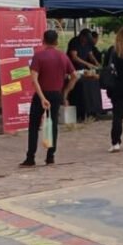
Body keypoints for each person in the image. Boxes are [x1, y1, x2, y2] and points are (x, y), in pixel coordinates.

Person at [21, 30, 79, 167]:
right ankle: (50, 156)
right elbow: (74, 76)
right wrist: (65, 92)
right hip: (56, 94)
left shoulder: (39, 56)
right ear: (57, 41)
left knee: (34, 125)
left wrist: (41, 97)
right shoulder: (63, 57)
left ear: (44, 41)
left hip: (42, 93)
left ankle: (31, 157)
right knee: (53, 125)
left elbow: (34, 80)